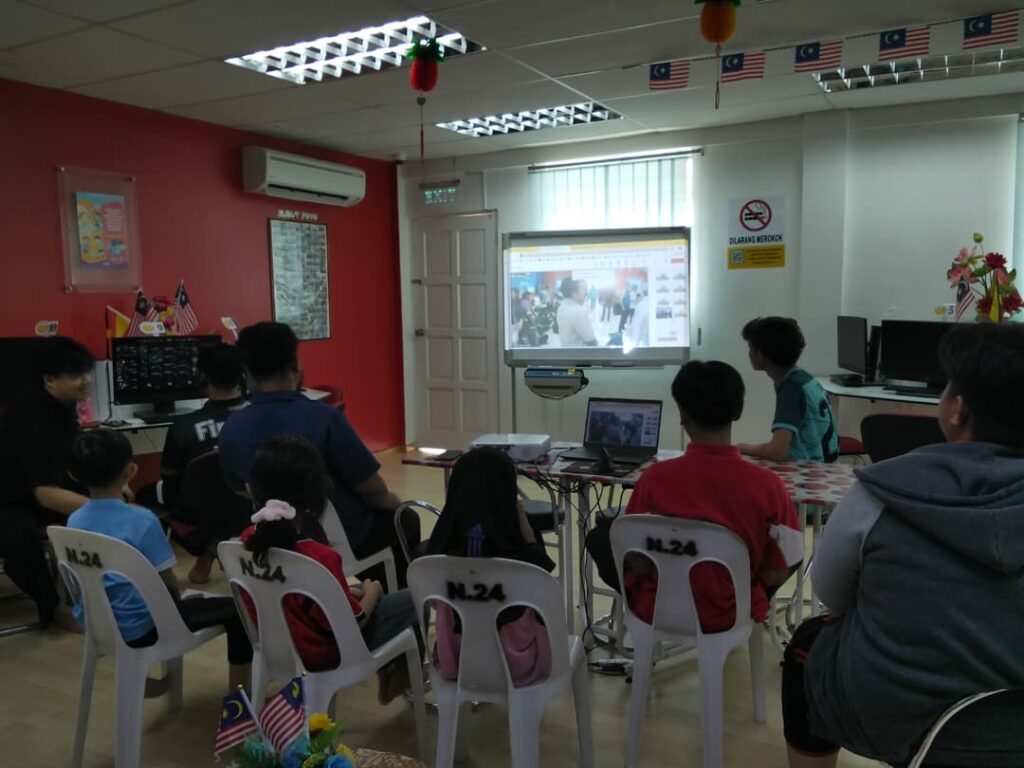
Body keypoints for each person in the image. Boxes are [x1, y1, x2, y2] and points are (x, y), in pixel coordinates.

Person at [781, 323, 1024, 768]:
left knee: (808, 642)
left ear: (957, 410)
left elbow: (830, 592)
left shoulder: (881, 490)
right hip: (1012, 720)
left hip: (890, 716)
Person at [586, 360, 802, 633]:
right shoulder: (768, 485)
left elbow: (638, 562)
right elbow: (784, 565)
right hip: (731, 614)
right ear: (737, 411)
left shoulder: (654, 478)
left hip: (657, 609)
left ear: (682, 414)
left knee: (600, 537)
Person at [219, 322, 420, 586]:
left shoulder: (232, 428)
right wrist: (396, 503)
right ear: (295, 364)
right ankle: (392, 600)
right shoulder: (325, 419)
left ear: (247, 372)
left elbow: (241, 490)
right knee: (406, 519)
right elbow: (373, 491)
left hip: (271, 539)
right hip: (338, 539)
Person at [66, 429, 252, 691]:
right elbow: (168, 583)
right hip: (143, 628)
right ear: (131, 471)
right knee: (240, 610)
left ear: (73, 475)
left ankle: (138, 678)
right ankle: (240, 698)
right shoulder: (142, 520)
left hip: (96, 623)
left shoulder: (73, 521)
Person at [240, 436, 419, 704]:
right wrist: (373, 590)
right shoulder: (319, 558)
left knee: (354, 591)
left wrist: (347, 592)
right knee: (416, 596)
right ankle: (399, 672)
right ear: (315, 493)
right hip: (327, 651)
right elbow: (355, 620)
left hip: (276, 644)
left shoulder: (246, 542)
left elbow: (299, 594)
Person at [425, 448, 555, 687]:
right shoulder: (524, 552)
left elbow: (434, 602)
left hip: (458, 663)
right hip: (519, 666)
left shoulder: (435, 556)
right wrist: (528, 533)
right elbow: (545, 592)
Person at [0, 337, 96, 625]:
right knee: (19, 537)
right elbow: (46, 494)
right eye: (76, 375)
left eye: (87, 372)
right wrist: (106, 509)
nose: (86, 380)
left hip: (39, 493)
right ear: (49, 380)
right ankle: (51, 606)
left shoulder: (63, 407)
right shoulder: (30, 421)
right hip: (11, 500)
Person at [145, 343, 249, 584]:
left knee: (147, 494)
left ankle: (202, 554)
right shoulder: (258, 418)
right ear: (243, 377)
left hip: (201, 515)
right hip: (253, 507)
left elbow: (171, 483)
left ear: (202, 379)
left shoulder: (182, 427)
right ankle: (218, 548)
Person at [738, 316, 838, 463]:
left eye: (750, 348)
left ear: (761, 355)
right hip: (824, 463)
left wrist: (742, 448)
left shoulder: (791, 389)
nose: (749, 354)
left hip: (808, 468)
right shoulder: (804, 379)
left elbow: (777, 452)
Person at [555, 278, 597, 347]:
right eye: (584, 289)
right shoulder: (579, 312)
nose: (586, 292)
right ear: (574, 293)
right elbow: (591, 341)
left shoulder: (561, 308)